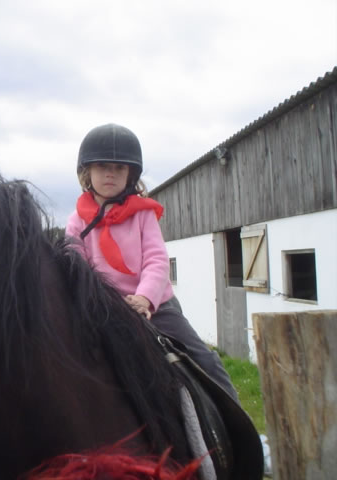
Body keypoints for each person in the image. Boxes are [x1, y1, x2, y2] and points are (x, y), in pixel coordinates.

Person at [65, 123, 239, 402]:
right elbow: (77, 267)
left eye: (119, 167)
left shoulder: (142, 214)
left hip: (155, 307)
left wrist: (144, 298)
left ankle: (236, 421)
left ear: (131, 174)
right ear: (87, 172)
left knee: (205, 360)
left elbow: (157, 259)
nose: (110, 173)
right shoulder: (77, 221)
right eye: (102, 166)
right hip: (104, 309)